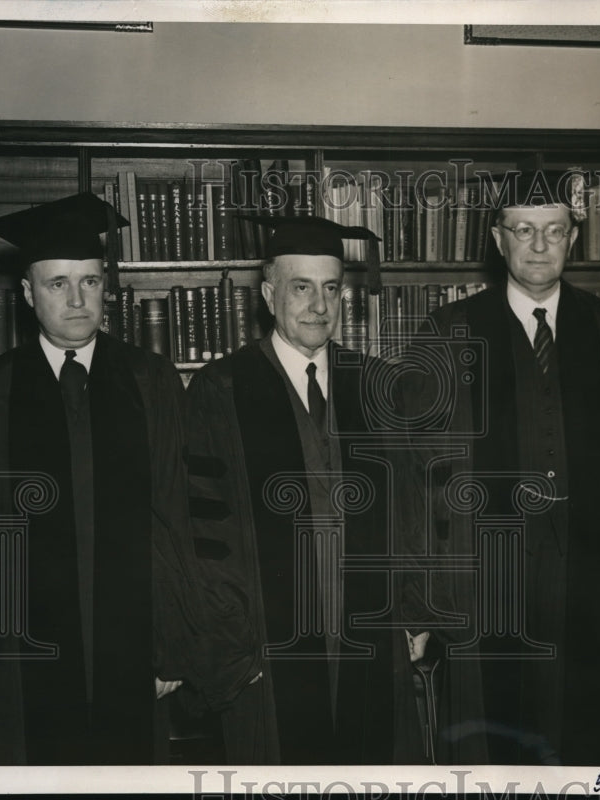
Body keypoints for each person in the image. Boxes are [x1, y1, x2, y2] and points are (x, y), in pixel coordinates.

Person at [0, 193, 208, 765]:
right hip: (17, 657)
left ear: (105, 287)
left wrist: (173, 649)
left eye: (89, 280)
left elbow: (175, 517)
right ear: (28, 292)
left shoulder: (150, 380)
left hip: (135, 650)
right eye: (58, 283)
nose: (77, 298)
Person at [397, 171, 600, 765]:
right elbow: (419, 476)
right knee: (496, 743)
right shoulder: (449, 333)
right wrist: (428, 600)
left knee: (586, 741)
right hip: (487, 581)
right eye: (524, 230)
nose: (539, 246)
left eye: (555, 231)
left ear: (573, 237)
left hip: (597, 569)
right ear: (497, 238)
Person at [183, 215, 419, 764]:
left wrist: (416, 613)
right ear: (269, 294)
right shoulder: (222, 390)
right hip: (266, 648)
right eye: (302, 287)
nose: (319, 304)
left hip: (372, 640)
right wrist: (234, 647)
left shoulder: (378, 385)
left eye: (332, 288)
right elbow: (202, 534)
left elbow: (410, 513)